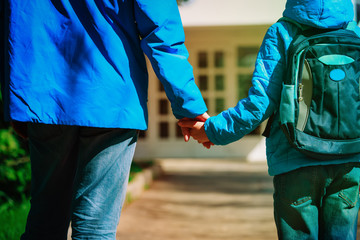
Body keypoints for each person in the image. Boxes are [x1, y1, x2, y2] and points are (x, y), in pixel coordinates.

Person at [1, 1, 208, 239]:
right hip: (111, 97)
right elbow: (161, 28)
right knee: (95, 229)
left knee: (44, 222)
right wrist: (189, 107)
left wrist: (15, 101)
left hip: (43, 93)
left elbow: (11, 20)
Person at [179, 0, 360, 239]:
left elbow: (260, 104)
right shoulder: (353, 31)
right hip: (349, 161)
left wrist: (211, 130)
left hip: (296, 159)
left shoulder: (282, 31)